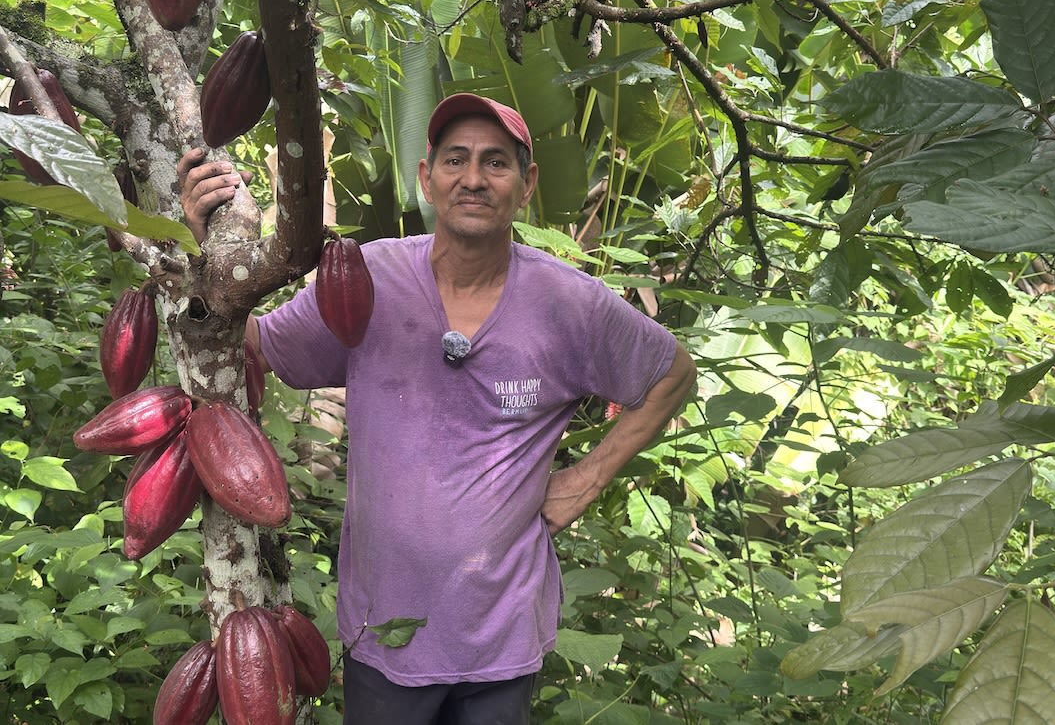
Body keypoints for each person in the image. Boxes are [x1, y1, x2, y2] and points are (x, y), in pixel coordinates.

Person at [178, 93, 697, 725]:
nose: (473, 178)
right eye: (455, 160)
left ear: (527, 183)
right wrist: (202, 250)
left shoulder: (570, 304)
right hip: (383, 632)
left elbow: (672, 373)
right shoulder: (365, 279)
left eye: (495, 162)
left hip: (500, 640)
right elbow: (254, 343)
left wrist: (586, 480)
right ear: (427, 178)